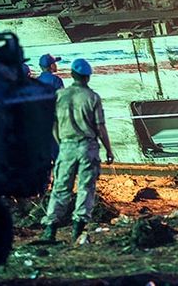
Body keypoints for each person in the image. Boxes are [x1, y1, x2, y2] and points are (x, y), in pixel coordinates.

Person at [41, 58, 114, 242]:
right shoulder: (92, 97)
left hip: (66, 147)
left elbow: (53, 125)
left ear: (72, 75)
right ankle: (77, 229)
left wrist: (61, 143)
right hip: (87, 146)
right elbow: (100, 127)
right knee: (86, 188)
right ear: (87, 77)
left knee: (60, 188)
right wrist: (108, 150)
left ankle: (51, 229)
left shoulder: (60, 95)